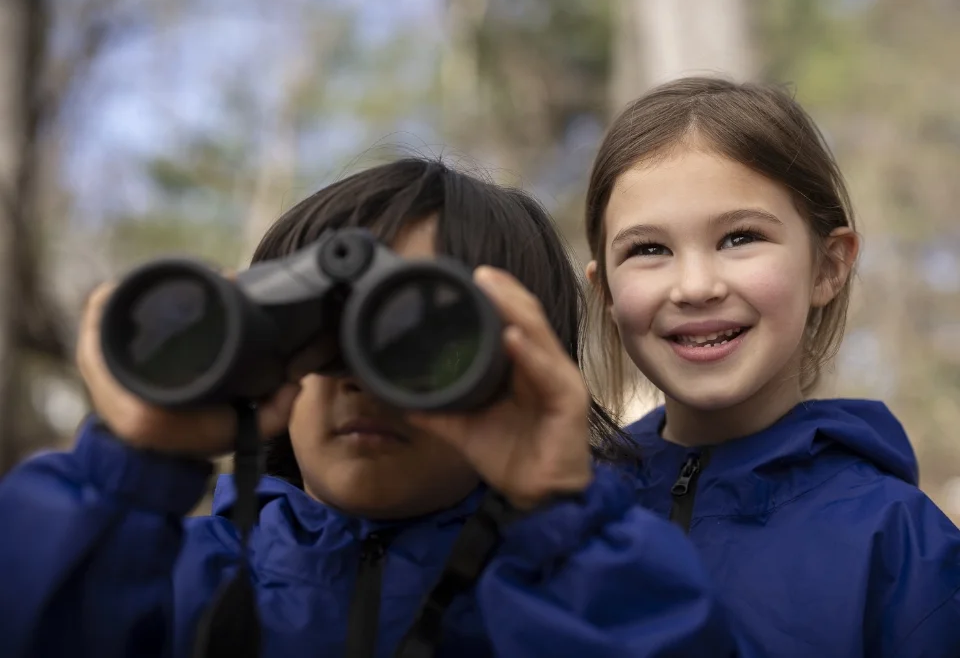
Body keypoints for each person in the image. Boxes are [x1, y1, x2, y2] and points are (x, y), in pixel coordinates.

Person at [0, 157, 749, 658]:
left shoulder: (576, 590)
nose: (361, 376)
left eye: (417, 336)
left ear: (523, 363)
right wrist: (125, 477)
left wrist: (566, 526)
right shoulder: (175, 574)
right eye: (321, 331)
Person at [581, 76, 960, 657]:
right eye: (649, 249)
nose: (696, 286)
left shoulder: (901, 544)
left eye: (739, 237)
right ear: (604, 289)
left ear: (829, 267)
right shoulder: (562, 515)